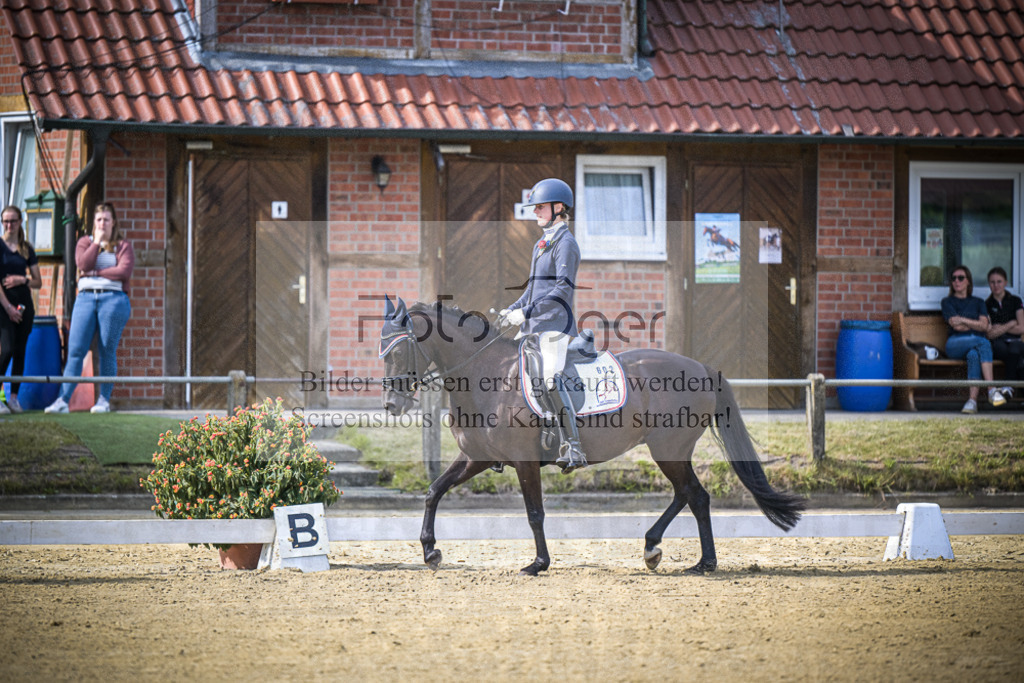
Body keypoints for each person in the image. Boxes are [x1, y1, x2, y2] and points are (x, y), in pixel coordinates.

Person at [498, 177, 587, 473]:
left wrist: (527, 312)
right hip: (534, 325)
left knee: (549, 377)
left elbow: (562, 290)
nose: (535, 211)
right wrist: (512, 309)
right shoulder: (541, 244)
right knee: (509, 374)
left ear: (558, 208)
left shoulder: (566, 244)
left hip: (555, 326)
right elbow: (532, 288)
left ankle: (572, 445)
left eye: (540, 206)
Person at [45, 203, 134, 414]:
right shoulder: (85, 242)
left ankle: (103, 400)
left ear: (114, 223)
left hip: (113, 300)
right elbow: (83, 265)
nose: (102, 223)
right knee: (76, 350)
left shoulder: (122, 246)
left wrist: (98, 273)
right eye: (99, 220)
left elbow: (124, 272)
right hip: (85, 299)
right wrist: (98, 244)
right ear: (94, 223)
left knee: (106, 350)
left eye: (106, 220)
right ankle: (63, 401)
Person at [941, 265, 1004, 413]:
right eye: (954, 278)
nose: (957, 281)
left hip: (974, 346)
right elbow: (956, 326)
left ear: (968, 281)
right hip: (955, 344)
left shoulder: (978, 302)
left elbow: (984, 326)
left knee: (974, 355)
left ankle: (972, 402)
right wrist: (977, 325)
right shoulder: (947, 302)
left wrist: (964, 321)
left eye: (961, 278)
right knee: (984, 342)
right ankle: (991, 390)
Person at [0, 206, 42, 413]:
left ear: (20, 222)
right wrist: (8, 308)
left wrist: (21, 279)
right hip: (3, 306)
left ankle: (14, 398)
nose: (9, 225)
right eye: (5, 221)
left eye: (13, 221)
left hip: (24, 306)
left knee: (19, 350)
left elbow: (38, 282)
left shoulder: (27, 248)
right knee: (6, 349)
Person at [985, 266, 1024, 401]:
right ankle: (1010, 388)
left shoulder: (1015, 301)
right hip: (998, 344)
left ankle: (1008, 386)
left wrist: (1000, 328)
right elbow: (989, 334)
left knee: (1016, 350)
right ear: (989, 283)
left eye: (999, 281)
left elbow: (1022, 328)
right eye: (992, 282)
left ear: (1006, 282)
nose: (996, 285)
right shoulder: (987, 304)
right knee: (1018, 359)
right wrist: (1010, 324)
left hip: (1016, 343)